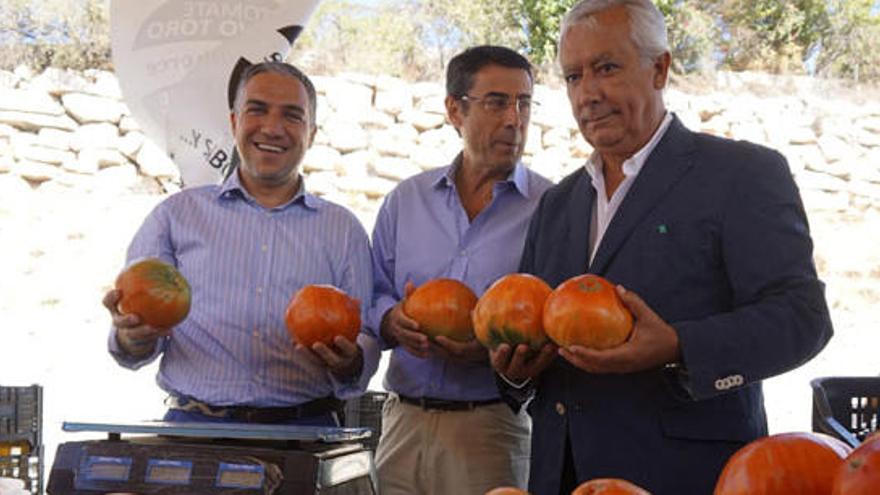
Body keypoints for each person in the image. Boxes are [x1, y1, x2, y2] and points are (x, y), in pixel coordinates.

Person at [489, 1, 834, 494]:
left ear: (660, 68)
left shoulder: (741, 175)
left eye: (606, 67)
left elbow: (803, 319)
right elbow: (539, 332)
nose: (588, 93)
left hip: (685, 478)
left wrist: (678, 346)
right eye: (572, 76)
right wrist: (518, 370)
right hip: (563, 478)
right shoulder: (558, 204)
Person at [102, 61, 378, 427]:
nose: (273, 128)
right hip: (192, 430)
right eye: (257, 110)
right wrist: (131, 335)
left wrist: (351, 362)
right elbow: (135, 342)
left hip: (306, 433)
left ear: (310, 134)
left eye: (292, 116)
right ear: (234, 122)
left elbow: (368, 334)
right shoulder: (176, 216)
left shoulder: (343, 229)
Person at [368, 45, 553, 495]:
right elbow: (372, 293)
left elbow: (555, 324)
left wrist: (494, 353)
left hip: (492, 429)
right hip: (402, 426)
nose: (514, 119)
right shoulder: (406, 200)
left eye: (523, 103)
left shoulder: (552, 207)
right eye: (496, 102)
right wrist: (391, 321)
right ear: (455, 109)